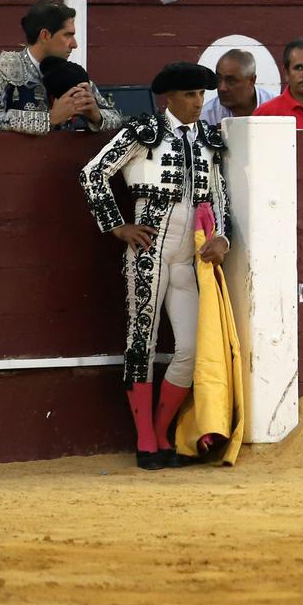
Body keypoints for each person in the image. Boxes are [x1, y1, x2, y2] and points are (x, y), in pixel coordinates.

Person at [78, 60, 230, 470]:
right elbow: (93, 174)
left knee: (191, 349)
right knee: (140, 343)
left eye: (202, 95)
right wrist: (117, 226)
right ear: (170, 98)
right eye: (190, 95)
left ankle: (162, 429)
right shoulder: (144, 132)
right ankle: (146, 439)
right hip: (148, 254)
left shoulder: (210, 140)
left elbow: (221, 199)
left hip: (189, 260)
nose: (199, 103)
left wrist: (222, 237)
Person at [0, 0, 122, 134]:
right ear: (45, 35)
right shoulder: (3, 69)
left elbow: (116, 118)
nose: (74, 44)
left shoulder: (69, 73)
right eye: (67, 35)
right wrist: (49, 118)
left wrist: (96, 116)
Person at [202, 49, 262, 125]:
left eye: (231, 81)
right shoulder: (206, 117)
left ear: (251, 81)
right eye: (218, 78)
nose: (222, 88)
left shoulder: (276, 109)